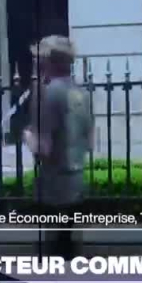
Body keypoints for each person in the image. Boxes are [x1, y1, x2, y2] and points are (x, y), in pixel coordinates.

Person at [23, 35, 94, 260]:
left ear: (48, 62)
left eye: (39, 59)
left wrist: (27, 136)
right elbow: (90, 142)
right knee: (71, 251)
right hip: (77, 182)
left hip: (53, 187)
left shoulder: (49, 93)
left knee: (52, 256)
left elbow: (43, 147)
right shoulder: (81, 92)